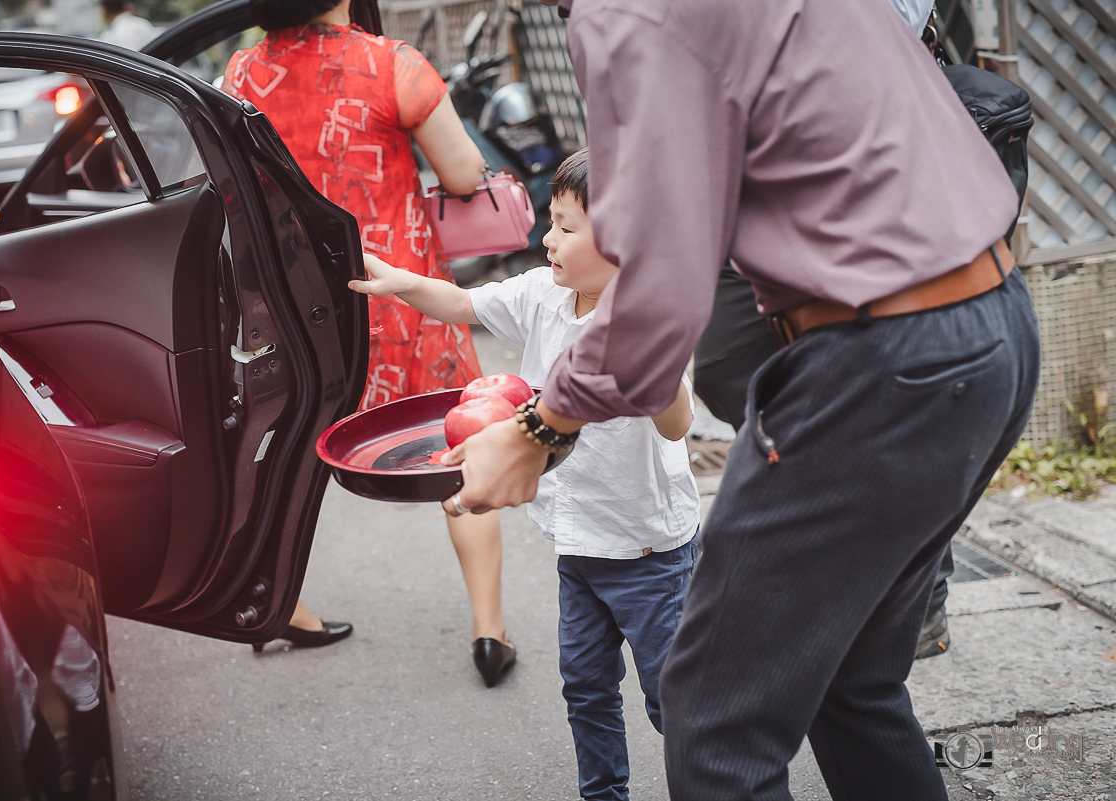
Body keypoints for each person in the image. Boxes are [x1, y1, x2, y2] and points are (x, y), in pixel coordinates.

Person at [446, 0, 1041, 798]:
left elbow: (656, 280)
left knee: (716, 717)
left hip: (882, 367)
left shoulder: (628, 13)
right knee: (852, 683)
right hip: (991, 323)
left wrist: (540, 426)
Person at [350, 148, 701, 801]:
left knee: (672, 701)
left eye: (568, 227)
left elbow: (677, 425)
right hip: (580, 546)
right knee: (586, 687)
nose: (548, 237)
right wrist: (403, 281)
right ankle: (603, 793)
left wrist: (652, 365)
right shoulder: (544, 294)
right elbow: (460, 302)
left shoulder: (649, 318)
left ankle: (715, 784)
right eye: (551, 220)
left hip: (650, 553)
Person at [222, 0, 515, 684]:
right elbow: (467, 174)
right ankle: (489, 631)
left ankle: (281, 605)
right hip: (399, 298)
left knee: (289, 457)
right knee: (462, 445)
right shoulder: (393, 66)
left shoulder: (239, 73)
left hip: (296, 307)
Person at [691, 0, 954, 663]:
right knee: (730, 369)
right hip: (743, 164)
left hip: (861, 171)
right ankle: (837, 548)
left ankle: (912, 586)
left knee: (876, 379)